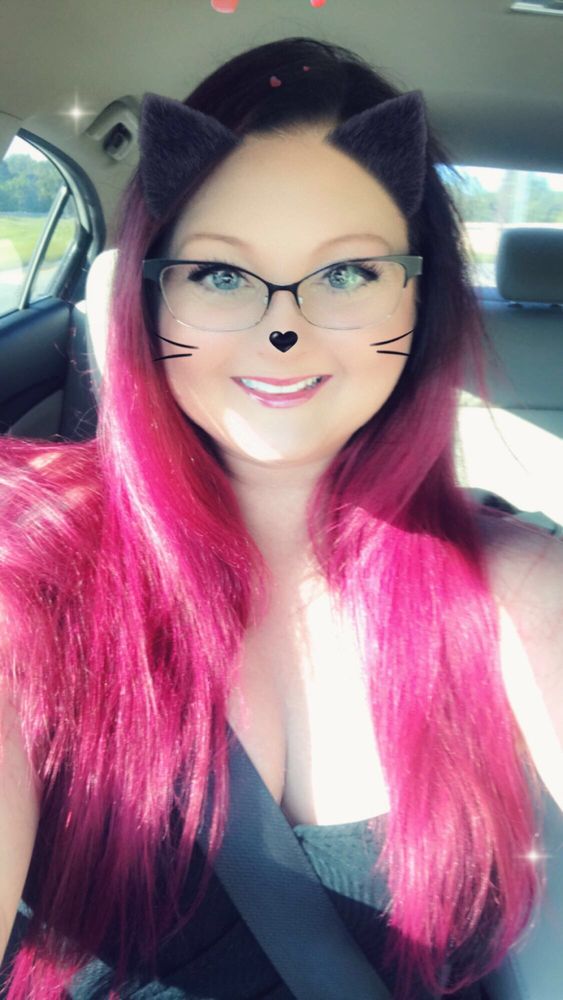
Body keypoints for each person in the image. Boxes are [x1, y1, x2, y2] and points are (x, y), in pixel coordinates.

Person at [0, 35, 561, 1000]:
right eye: (220, 274)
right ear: (150, 294)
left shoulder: (518, 590)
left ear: (417, 297)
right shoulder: (34, 565)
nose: (283, 329)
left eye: (347, 273)